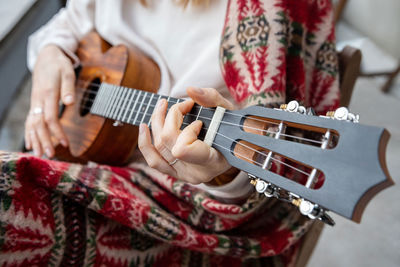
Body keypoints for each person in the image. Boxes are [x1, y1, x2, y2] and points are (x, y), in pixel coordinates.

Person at [0, 0, 340, 266]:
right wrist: (51, 51)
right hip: (85, 155)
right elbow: (71, 20)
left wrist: (221, 175)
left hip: (178, 209)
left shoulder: (271, 10)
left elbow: (268, 171)